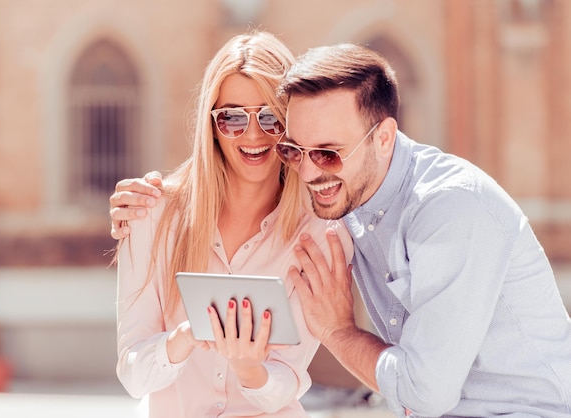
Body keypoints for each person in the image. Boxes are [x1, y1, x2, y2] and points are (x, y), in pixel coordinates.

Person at [110, 42, 571, 417]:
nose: (311, 173)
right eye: (298, 150)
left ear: (384, 137)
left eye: (328, 153)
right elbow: (133, 368)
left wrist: (334, 333)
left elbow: (422, 393)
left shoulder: (438, 211)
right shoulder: (337, 205)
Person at [113, 31, 353, 418]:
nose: (253, 134)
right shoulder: (150, 215)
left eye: (271, 116)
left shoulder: (320, 235)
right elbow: (134, 374)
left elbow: (287, 382)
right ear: (212, 124)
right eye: (233, 117)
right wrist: (186, 337)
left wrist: (249, 369)